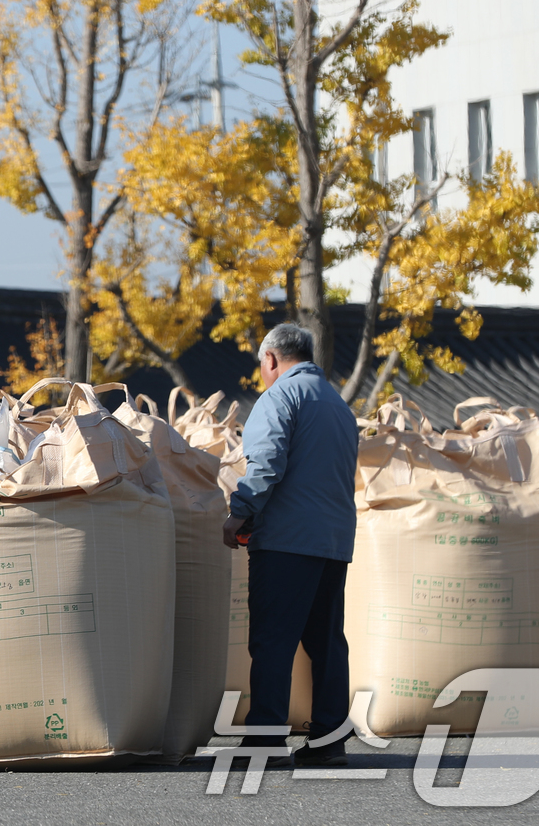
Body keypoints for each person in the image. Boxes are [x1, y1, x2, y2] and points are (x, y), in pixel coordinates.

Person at [222, 323, 359, 768]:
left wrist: (238, 514)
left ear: (270, 360)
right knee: (327, 643)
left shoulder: (280, 397)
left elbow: (265, 465)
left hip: (287, 541)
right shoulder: (339, 405)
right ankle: (329, 741)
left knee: (273, 641)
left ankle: (264, 742)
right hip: (333, 541)